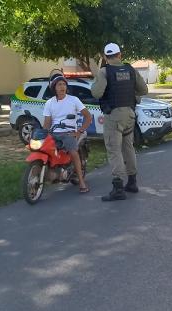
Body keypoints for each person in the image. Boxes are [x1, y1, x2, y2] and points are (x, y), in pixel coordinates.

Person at [90, 42, 148, 201]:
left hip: (113, 117)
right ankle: (132, 183)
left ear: (105, 57)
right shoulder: (130, 69)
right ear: (120, 55)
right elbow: (144, 90)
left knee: (114, 151)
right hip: (130, 115)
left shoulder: (104, 71)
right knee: (128, 148)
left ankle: (118, 189)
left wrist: (97, 79)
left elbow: (96, 93)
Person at [43, 72, 92, 193]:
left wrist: (79, 131)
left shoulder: (74, 100)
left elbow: (88, 117)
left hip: (68, 132)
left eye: (64, 84)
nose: (62, 87)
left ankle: (81, 182)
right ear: (54, 88)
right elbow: (47, 123)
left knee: (73, 152)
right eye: (59, 85)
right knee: (43, 149)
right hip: (54, 133)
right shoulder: (49, 103)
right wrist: (43, 134)